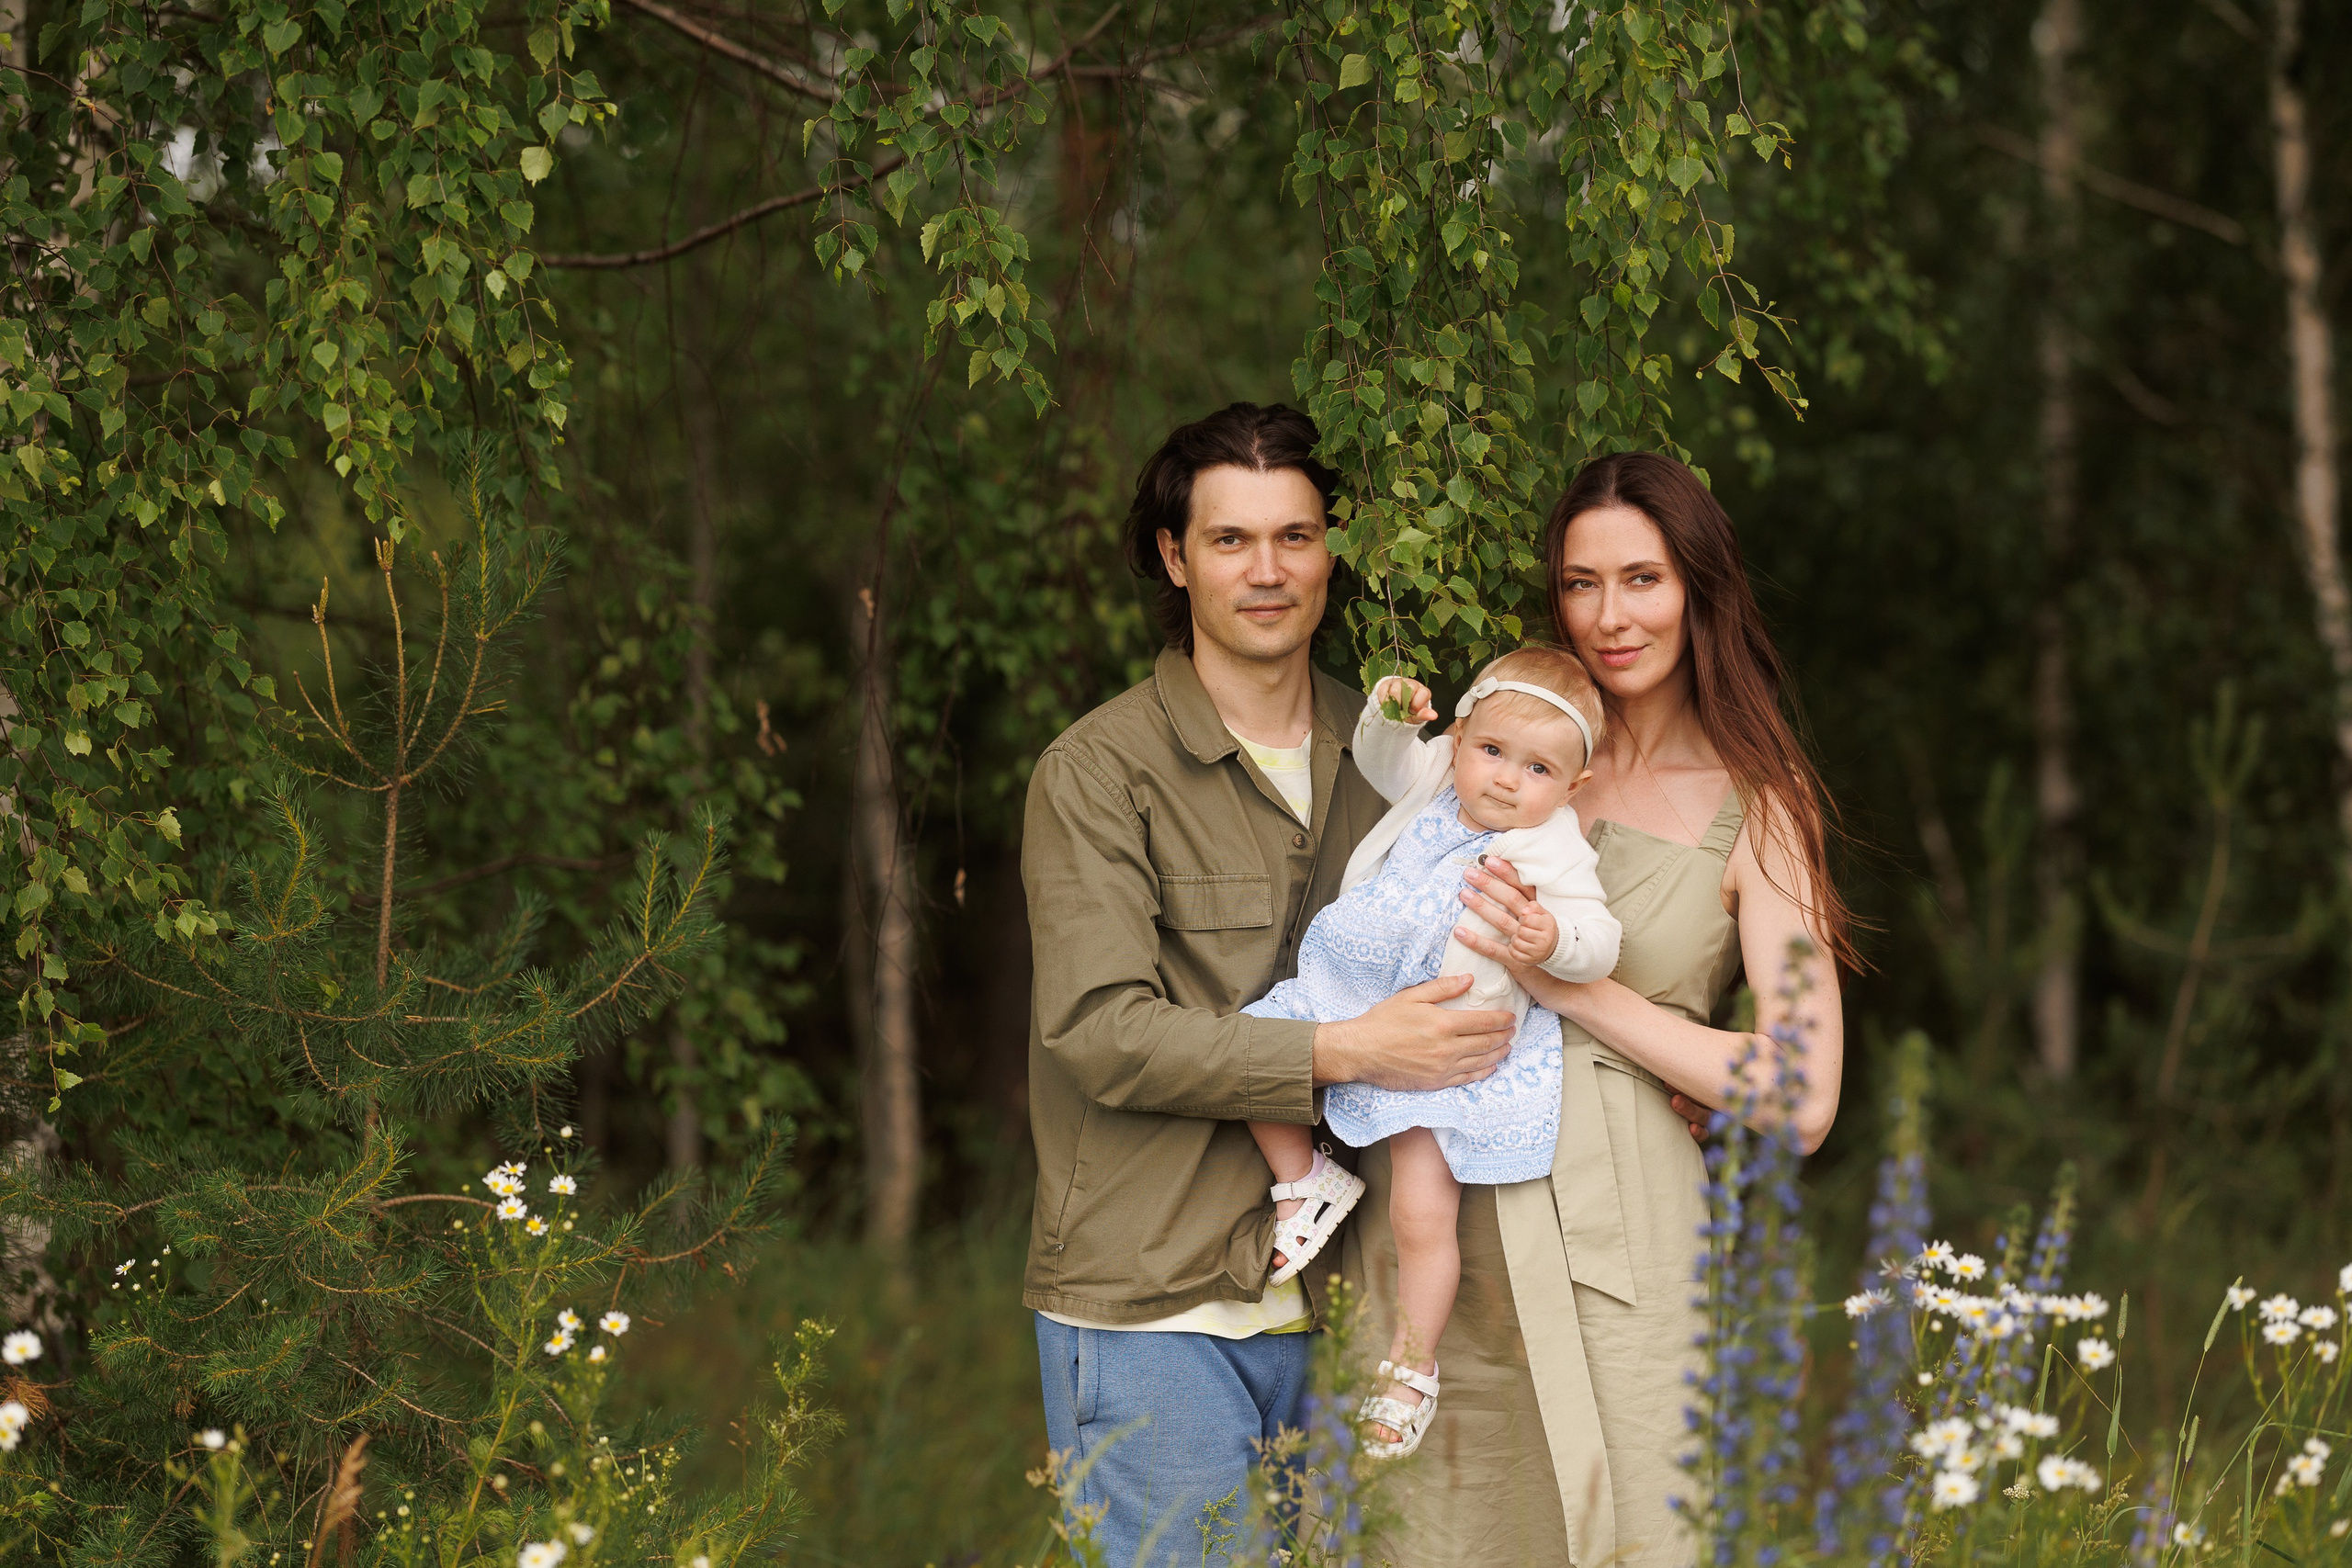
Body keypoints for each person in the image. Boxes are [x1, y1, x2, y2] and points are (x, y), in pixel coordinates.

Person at [1021, 400, 1520, 1566]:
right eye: (1230, 540)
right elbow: (1101, 1034)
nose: (1266, 571)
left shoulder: (1402, 762)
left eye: (1294, 537)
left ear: (1331, 552)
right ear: (1173, 555)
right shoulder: (1100, 771)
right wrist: (1345, 1053)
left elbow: (1503, 937)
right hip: (1155, 1300)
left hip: (1354, 1305)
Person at [1339, 450, 1854, 1567]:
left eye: (1642, 579)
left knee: (1625, 1534)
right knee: (1419, 1534)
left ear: (1699, 589)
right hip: (1441, 1209)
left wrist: (1578, 993)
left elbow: (1802, 1095)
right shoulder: (1506, 749)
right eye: (1580, 583)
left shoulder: (1759, 804)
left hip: (1624, 1235)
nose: (1609, 617)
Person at [1238, 649, 1622, 1459]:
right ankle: (1306, 1181)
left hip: (1443, 1041)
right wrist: (1391, 709)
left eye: (1540, 768)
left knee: (1421, 1211)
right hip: (1352, 987)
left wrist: (1553, 939)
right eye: (1491, 752)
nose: (1508, 780)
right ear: (1459, 739)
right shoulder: (1434, 781)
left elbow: (1601, 940)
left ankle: (1412, 1362)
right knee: (1254, 1053)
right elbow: (1380, 754)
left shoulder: (1555, 849)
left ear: (1574, 786)